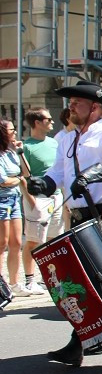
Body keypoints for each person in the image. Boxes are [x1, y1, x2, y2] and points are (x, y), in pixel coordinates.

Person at [26, 81, 102, 366]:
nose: (71, 106)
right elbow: (59, 169)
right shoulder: (70, 137)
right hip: (81, 213)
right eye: (70, 102)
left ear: (94, 107)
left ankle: (80, 340)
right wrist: (44, 182)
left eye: (77, 103)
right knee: (91, 273)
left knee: (94, 274)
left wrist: (97, 172)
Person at [18, 107, 62, 294]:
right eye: (48, 119)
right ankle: (29, 279)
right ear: (37, 122)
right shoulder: (26, 147)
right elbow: (23, 176)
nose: (52, 122)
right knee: (34, 241)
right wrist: (31, 201)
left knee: (54, 239)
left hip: (57, 197)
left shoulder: (54, 143)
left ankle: (50, 278)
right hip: (37, 199)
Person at [0, 118, 24, 294]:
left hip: (15, 199)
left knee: (16, 242)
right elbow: (4, 181)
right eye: (11, 129)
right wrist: (19, 179)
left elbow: (27, 172)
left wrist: (20, 152)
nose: (15, 132)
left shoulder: (11, 152)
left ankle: (15, 283)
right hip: (1, 201)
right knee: (2, 243)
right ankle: (1, 284)